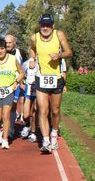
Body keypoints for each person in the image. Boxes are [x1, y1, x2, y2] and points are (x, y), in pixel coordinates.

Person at [29, 14, 73, 153]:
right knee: (43, 110)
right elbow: (32, 49)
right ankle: (46, 140)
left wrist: (59, 55)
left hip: (57, 77)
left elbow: (69, 52)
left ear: (52, 26)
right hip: (41, 77)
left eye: (48, 25)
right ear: (40, 25)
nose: (45, 28)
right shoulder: (34, 37)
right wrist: (31, 59)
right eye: (43, 25)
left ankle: (54, 133)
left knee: (55, 111)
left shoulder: (59, 35)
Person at [20, 58, 38, 143]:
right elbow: (21, 74)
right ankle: (27, 125)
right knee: (26, 115)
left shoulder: (40, 63)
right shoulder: (25, 64)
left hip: (38, 89)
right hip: (28, 89)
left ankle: (33, 132)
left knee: (35, 112)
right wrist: (21, 84)